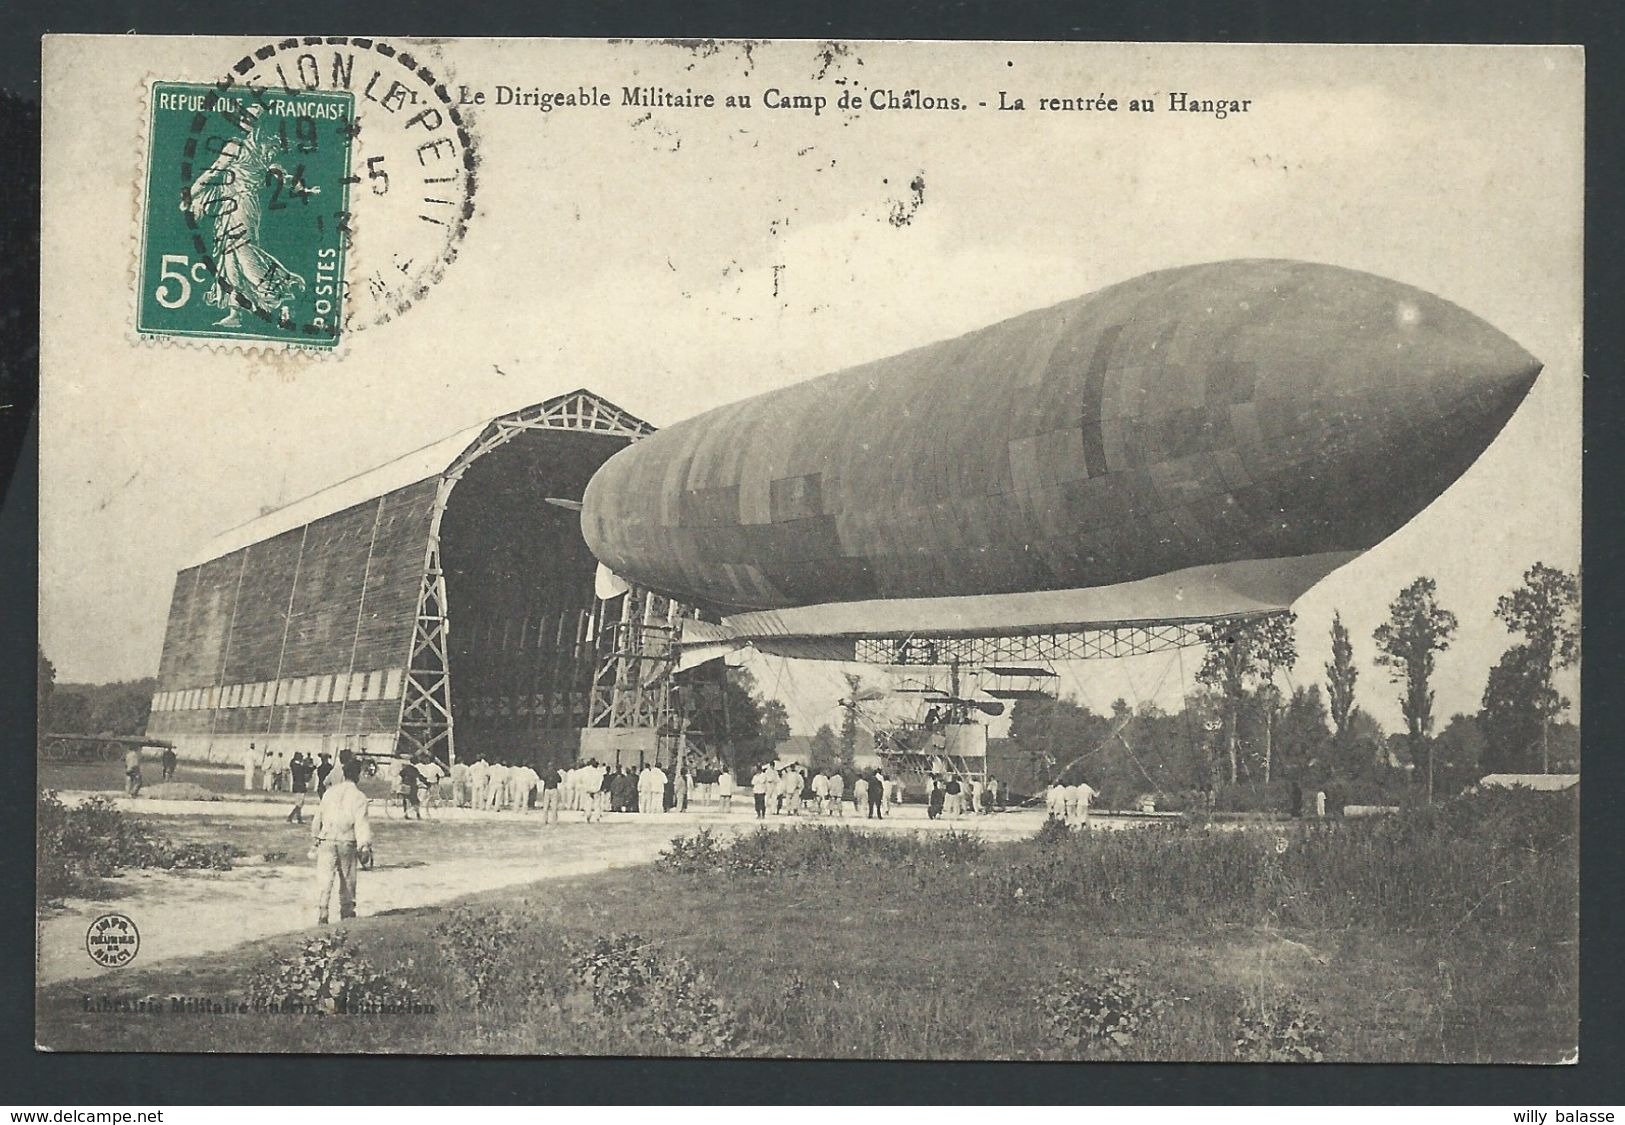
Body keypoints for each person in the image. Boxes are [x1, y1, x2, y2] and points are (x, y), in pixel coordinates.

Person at [310, 757, 373, 925]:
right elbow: (361, 823)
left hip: (327, 838)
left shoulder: (329, 793)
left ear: (343, 774)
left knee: (325, 877)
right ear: (358, 775)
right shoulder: (359, 797)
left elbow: (318, 817)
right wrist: (364, 845)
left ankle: (323, 911)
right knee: (347, 878)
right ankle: (346, 911)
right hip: (347, 839)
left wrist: (316, 836)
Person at [286, 752, 311, 823]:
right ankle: (292, 817)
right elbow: (306, 771)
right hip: (301, 786)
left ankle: (297, 818)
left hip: (296, 785)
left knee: (299, 803)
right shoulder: (300, 767)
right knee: (300, 803)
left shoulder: (293, 765)